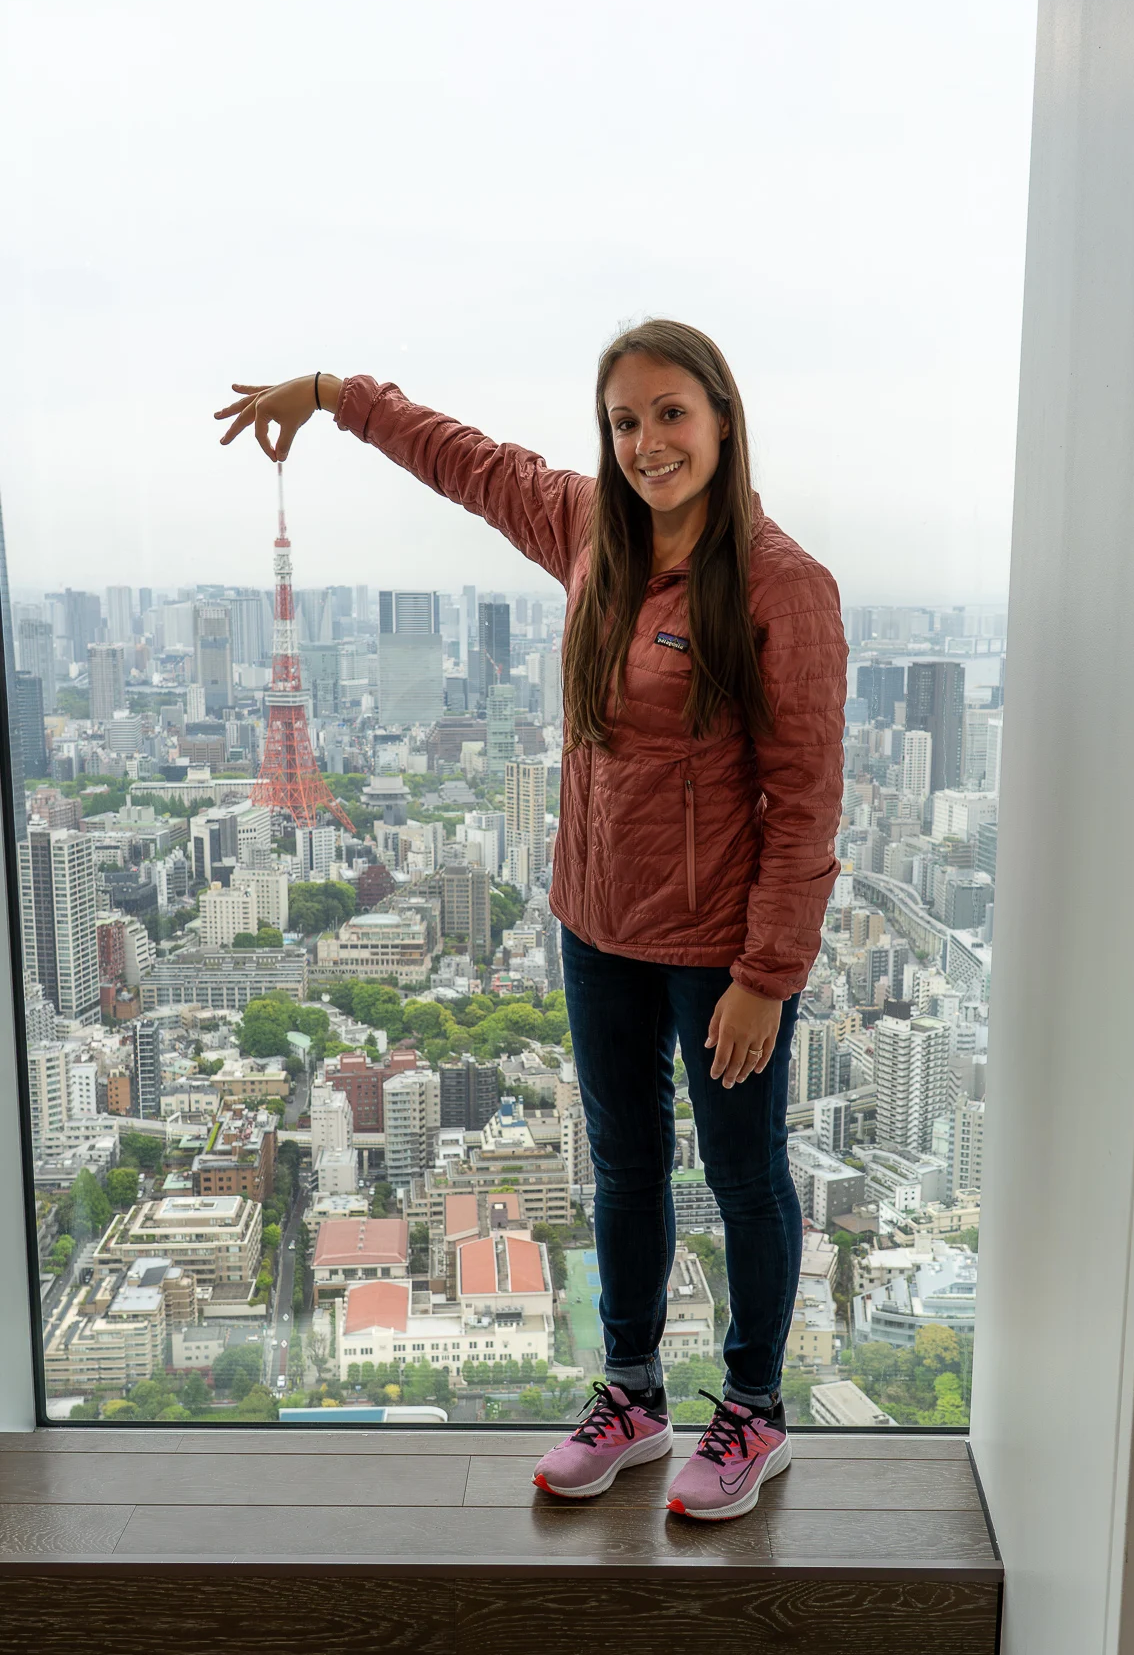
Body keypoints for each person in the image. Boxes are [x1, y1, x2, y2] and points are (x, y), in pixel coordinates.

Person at [215, 319, 848, 1520]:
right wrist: (339, 394)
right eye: (625, 422)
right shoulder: (589, 535)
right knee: (622, 1168)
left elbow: (806, 801)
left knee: (746, 1175)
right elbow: (470, 461)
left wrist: (769, 971)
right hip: (596, 926)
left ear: (721, 417)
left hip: (720, 951)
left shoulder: (782, 587)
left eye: (671, 413)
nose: (649, 443)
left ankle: (754, 1412)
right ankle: (633, 1396)